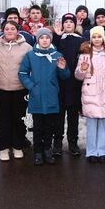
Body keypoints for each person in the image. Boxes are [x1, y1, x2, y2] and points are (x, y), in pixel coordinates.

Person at [19, 28, 70, 166]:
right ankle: (37, 152)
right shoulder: (30, 55)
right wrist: (31, 86)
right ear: (38, 40)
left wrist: (62, 68)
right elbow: (23, 73)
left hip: (51, 96)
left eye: (47, 38)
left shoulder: (57, 54)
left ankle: (47, 150)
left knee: (49, 126)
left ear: (50, 39)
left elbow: (65, 76)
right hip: (36, 96)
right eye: (42, 38)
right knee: (38, 127)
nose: (45, 40)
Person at [75, 26, 105, 163]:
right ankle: (91, 152)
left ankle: (102, 151)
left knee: (104, 126)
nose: (96, 39)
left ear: (103, 38)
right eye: (94, 37)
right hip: (90, 94)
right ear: (90, 39)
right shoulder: (84, 55)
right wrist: (82, 69)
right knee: (92, 126)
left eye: (99, 37)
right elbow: (78, 76)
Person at [0, 21, 32, 161]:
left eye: (12, 28)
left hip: (20, 89)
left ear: (17, 30)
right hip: (1, 88)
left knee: (18, 120)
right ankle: (4, 148)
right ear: (3, 31)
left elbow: (33, 67)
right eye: (6, 29)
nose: (9, 31)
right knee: (3, 120)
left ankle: (17, 146)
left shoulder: (27, 47)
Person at [52, 13, 86, 156]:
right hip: (59, 84)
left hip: (75, 84)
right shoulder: (57, 39)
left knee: (73, 117)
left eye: (70, 22)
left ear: (75, 25)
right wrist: (57, 36)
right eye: (65, 22)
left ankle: (73, 142)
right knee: (58, 116)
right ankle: (58, 143)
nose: (68, 24)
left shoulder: (82, 41)